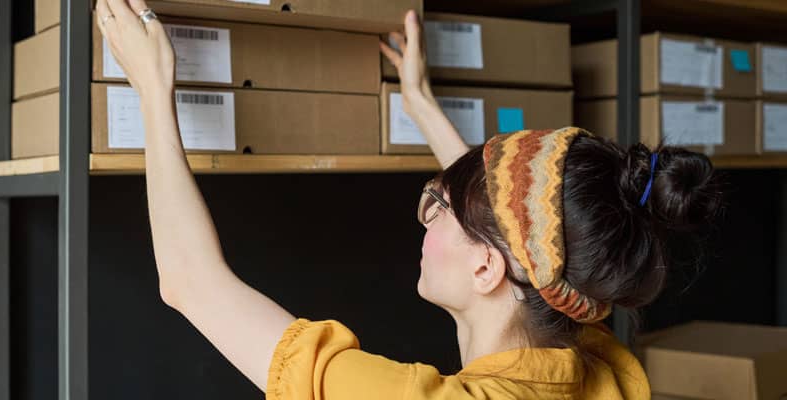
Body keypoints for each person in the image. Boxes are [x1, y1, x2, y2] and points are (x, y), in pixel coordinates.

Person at [95, 1, 723, 398]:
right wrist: (420, 103)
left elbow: (189, 283)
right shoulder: (595, 357)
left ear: (488, 267)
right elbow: (527, 234)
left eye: (441, 209)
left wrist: (153, 85)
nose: (424, 217)